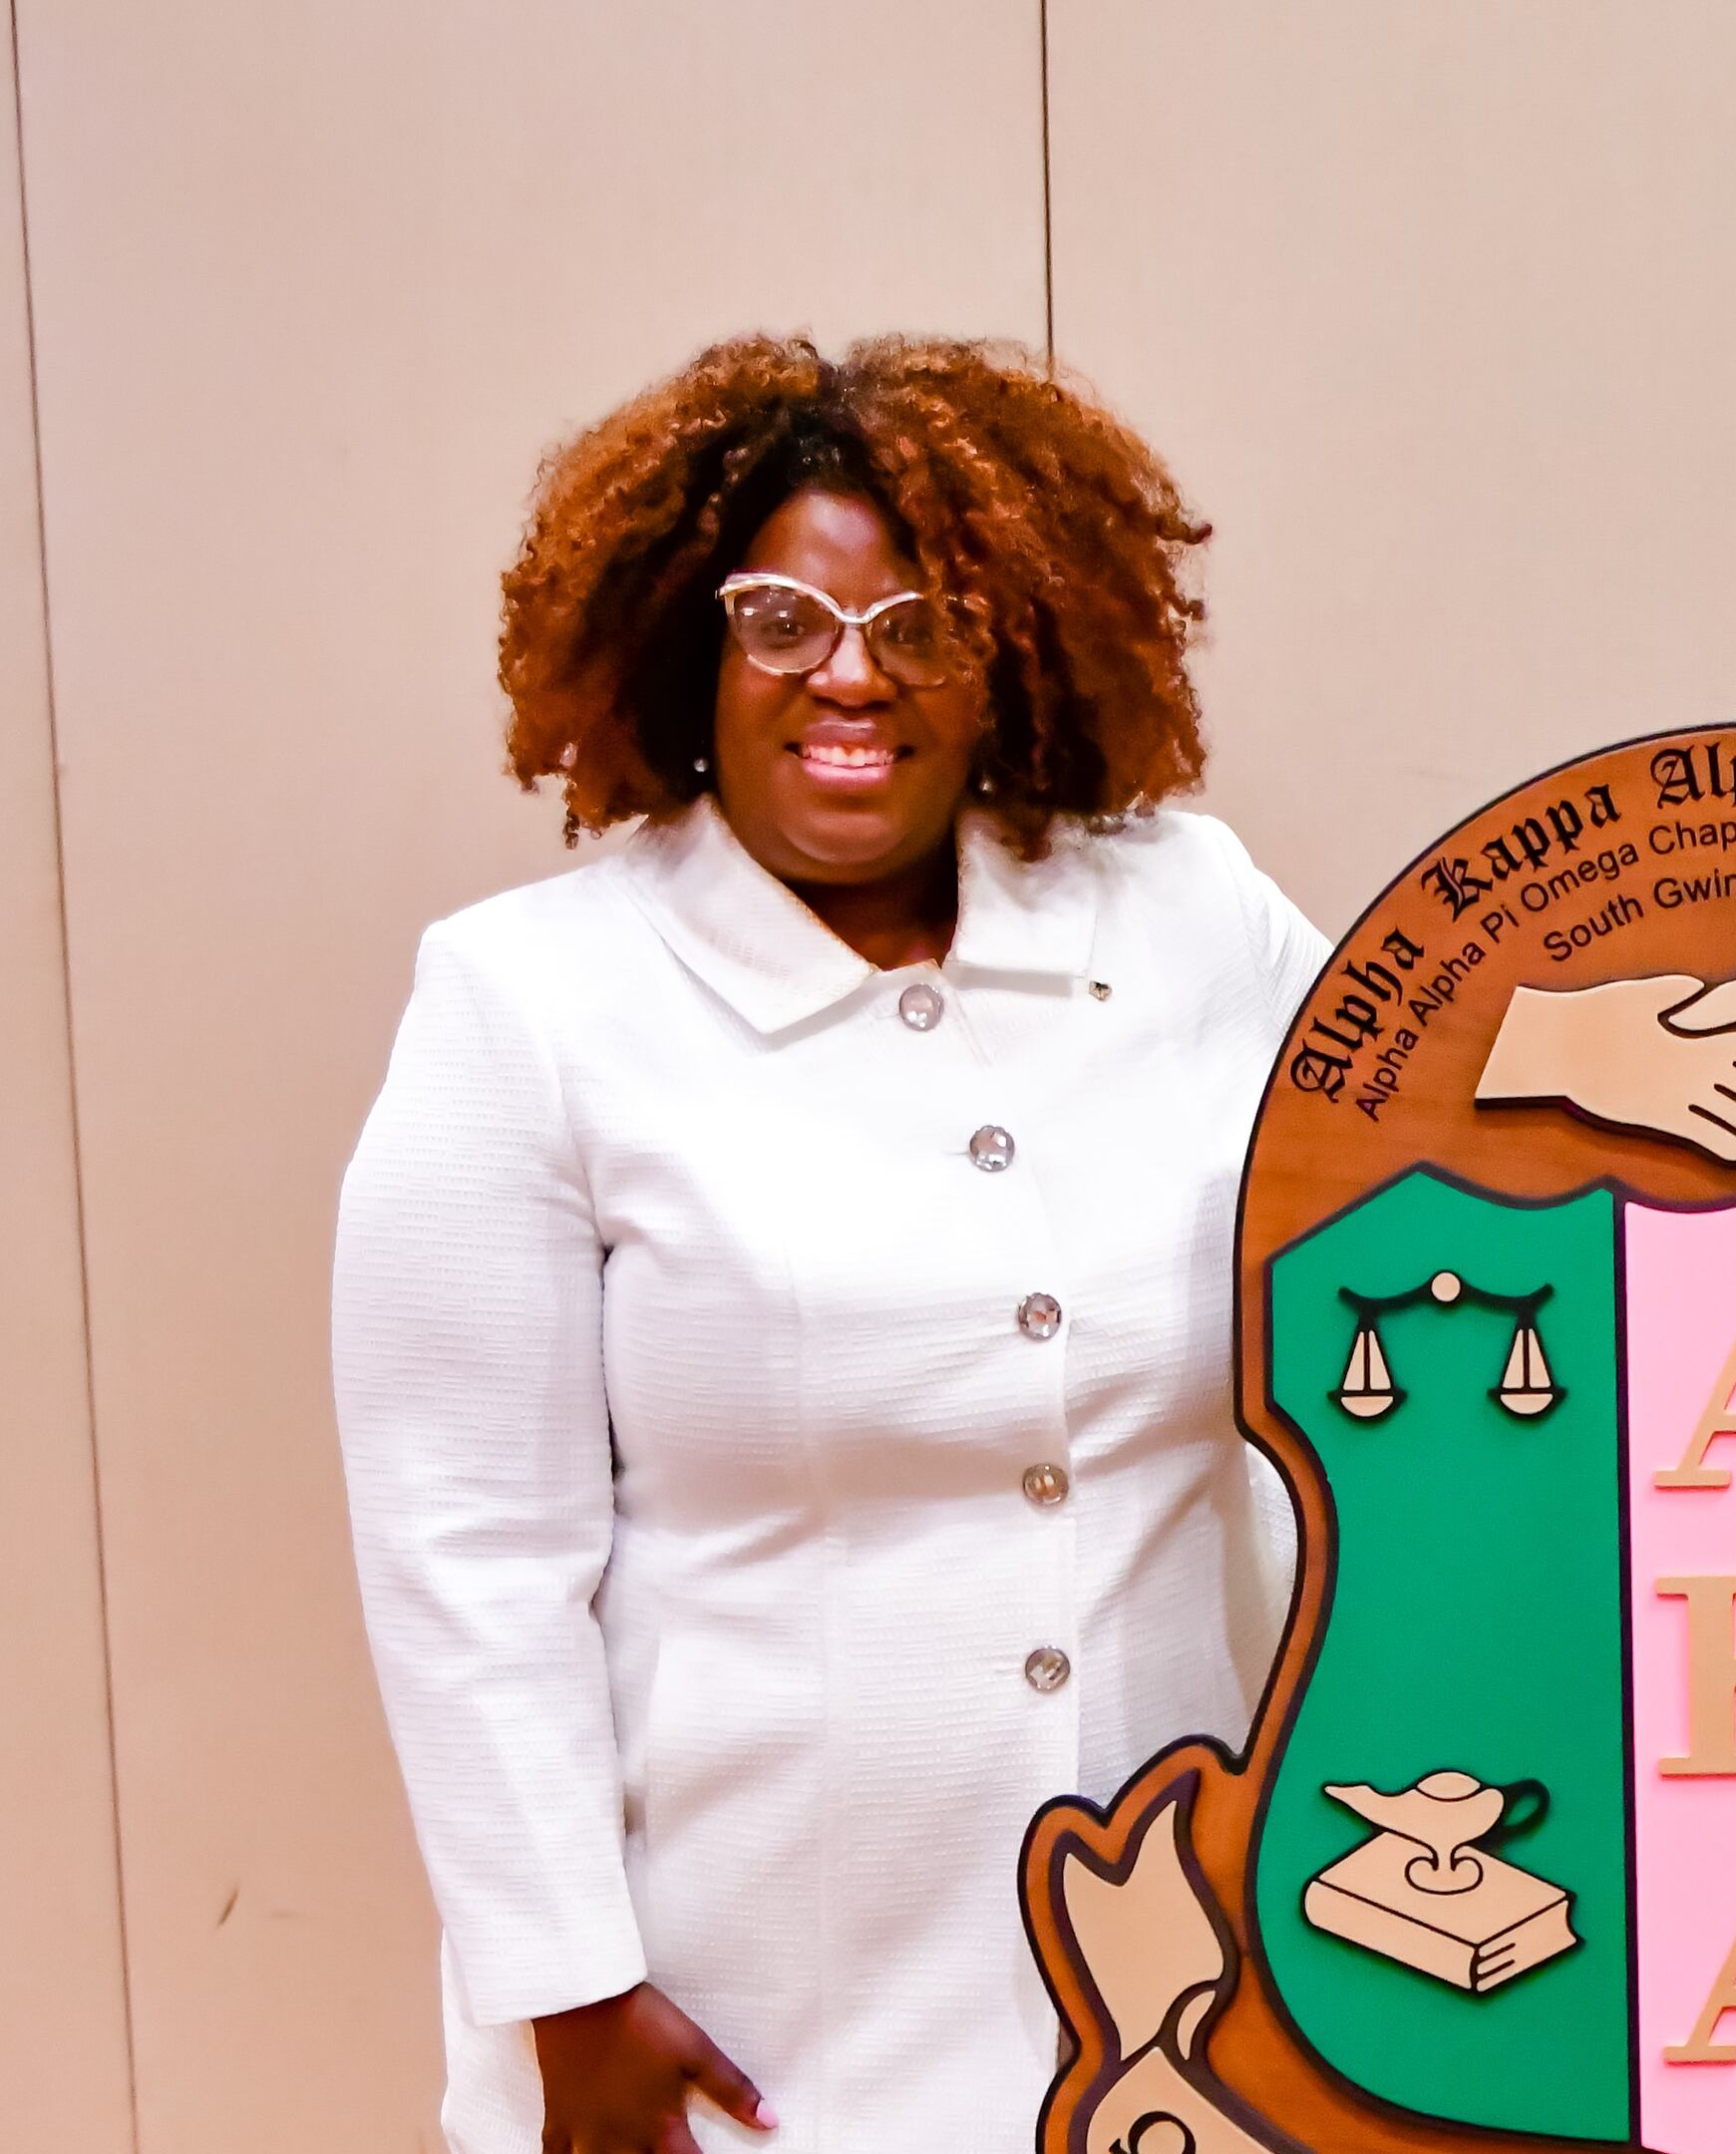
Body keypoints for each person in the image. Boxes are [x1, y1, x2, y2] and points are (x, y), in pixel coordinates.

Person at [335, 334, 1331, 2154]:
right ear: (688, 650)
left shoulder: (1194, 920)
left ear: (1008, 648)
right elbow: (467, 1551)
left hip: (1171, 1988)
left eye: (919, 624)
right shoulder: (531, 1003)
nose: (846, 676)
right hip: (740, 2011)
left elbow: (1426, 1139)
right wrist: (567, 1994)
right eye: (779, 619)